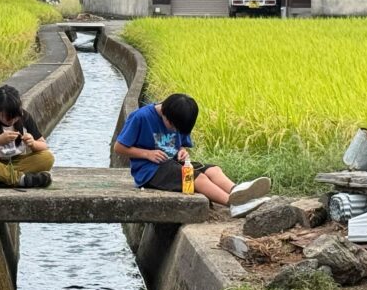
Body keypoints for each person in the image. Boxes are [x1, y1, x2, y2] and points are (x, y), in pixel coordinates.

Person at [113, 93, 270, 217]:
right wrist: (147, 153)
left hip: (173, 164)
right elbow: (119, 147)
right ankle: (233, 205)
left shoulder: (178, 120)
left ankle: (238, 192)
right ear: (166, 114)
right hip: (150, 171)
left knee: (213, 170)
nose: (175, 131)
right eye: (173, 127)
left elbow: (179, 144)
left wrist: (182, 151)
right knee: (197, 178)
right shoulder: (141, 117)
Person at [0, 84, 55, 188]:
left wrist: (33, 143)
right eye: (6, 117)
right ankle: (19, 179)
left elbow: (43, 145)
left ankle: (0, 179)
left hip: (17, 162)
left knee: (47, 158)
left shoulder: (25, 117)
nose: (11, 120)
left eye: (15, 117)